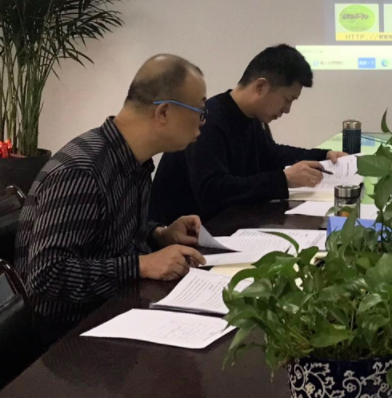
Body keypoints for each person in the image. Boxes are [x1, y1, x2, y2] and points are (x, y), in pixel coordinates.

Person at [15, 55, 208, 344]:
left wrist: (159, 234)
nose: (202, 123)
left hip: (112, 313)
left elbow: (105, 236)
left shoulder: (133, 161)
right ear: (164, 112)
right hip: (66, 340)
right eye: (200, 111)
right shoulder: (81, 171)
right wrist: (142, 265)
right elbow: (47, 277)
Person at [149, 44, 347, 224]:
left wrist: (323, 156)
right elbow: (212, 191)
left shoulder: (250, 118)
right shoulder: (209, 121)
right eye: (287, 100)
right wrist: (283, 179)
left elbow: (272, 155)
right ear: (261, 86)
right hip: (183, 237)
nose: (287, 110)